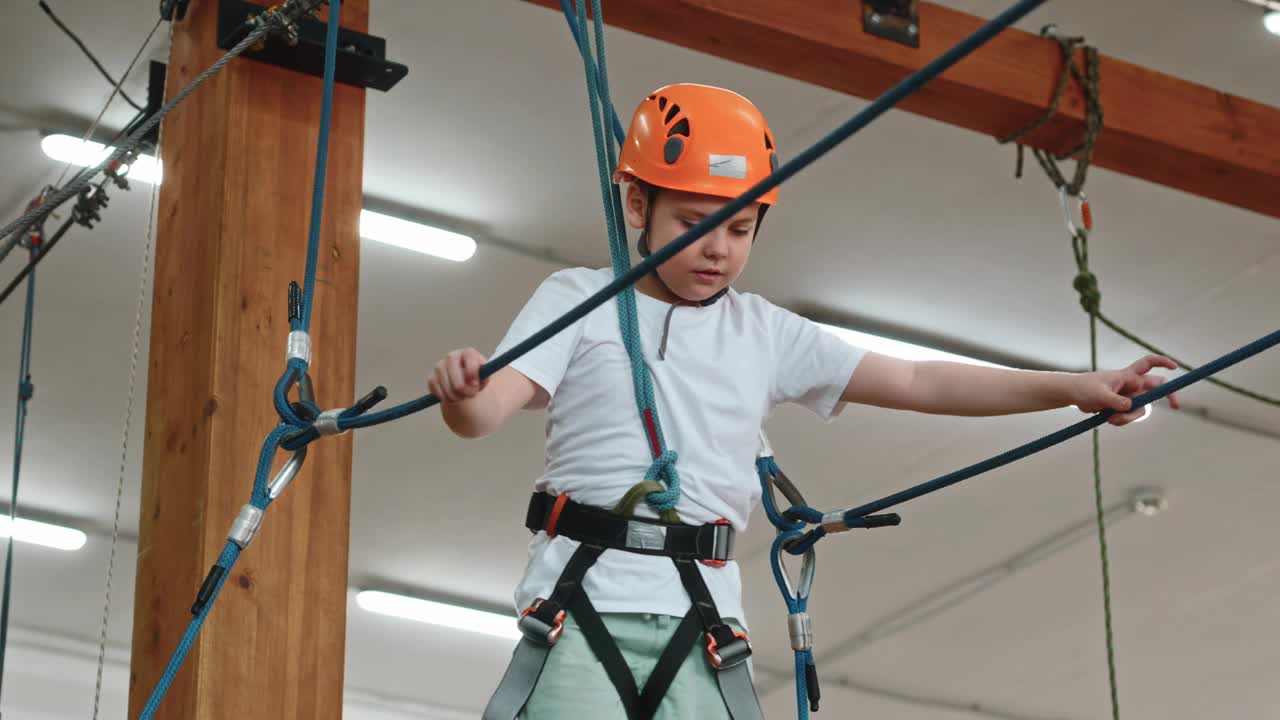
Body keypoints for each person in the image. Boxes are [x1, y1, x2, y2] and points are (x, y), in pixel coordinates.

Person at [429, 84, 1179, 720]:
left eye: (741, 229)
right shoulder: (581, 302)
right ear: (636, 203)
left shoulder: (764, 333)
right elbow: (491, 407)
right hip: (581, 612)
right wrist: (464, 390)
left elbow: (918, 381)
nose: (718, 249)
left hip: (703, 625)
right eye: (694, 225)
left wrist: (1072, 389)